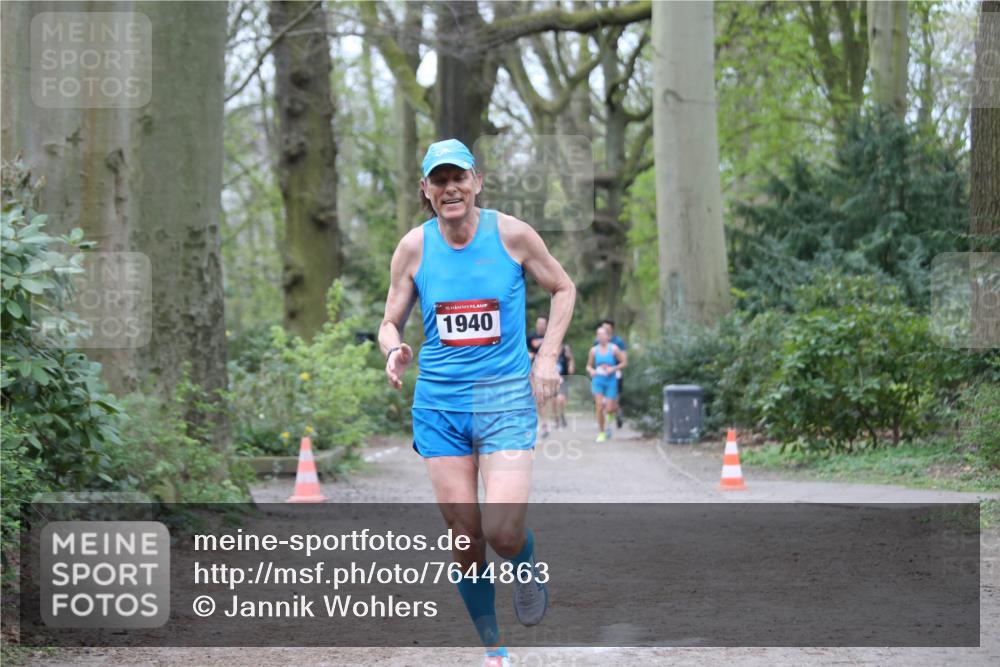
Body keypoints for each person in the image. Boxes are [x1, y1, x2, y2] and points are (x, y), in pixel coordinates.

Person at [380, 138, 576, 667]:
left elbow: (563, 287)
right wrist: (393, 348)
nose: (450, 188)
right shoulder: (414, 248)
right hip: (439, 406)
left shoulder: (511, 235)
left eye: (458, 177)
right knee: (466, 537)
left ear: (477, 182)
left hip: (504, 400)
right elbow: (390, 319)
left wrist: (547, 357)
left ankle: (526, 562)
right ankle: (494, 649)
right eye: (439, 180)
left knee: (502, 532)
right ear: (426, 189)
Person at [586, 325, 627, 442]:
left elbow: (624, 362)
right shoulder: (594, 350)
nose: (601, 337)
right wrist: (591, 370)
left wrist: (613, 369)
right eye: (598, 335)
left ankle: (609, 418)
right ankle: (602, 432)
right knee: (599, 407)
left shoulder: (614, 348)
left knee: (609, 408)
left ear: (608, 336)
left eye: (603, 334)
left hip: (611, 380)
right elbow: (588, 365)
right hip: (598, 380)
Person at [597, 318, 627, 429]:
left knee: (613, 401)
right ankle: (605, 423)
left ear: (612, 329)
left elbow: (624, 358)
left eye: (607, 328)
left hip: (616, 374)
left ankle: (617, 412)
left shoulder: (618, 342)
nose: (605, 329)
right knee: (602, 401)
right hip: (601, 376)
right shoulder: (597, 342)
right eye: (603, 327)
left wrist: (613, 368)